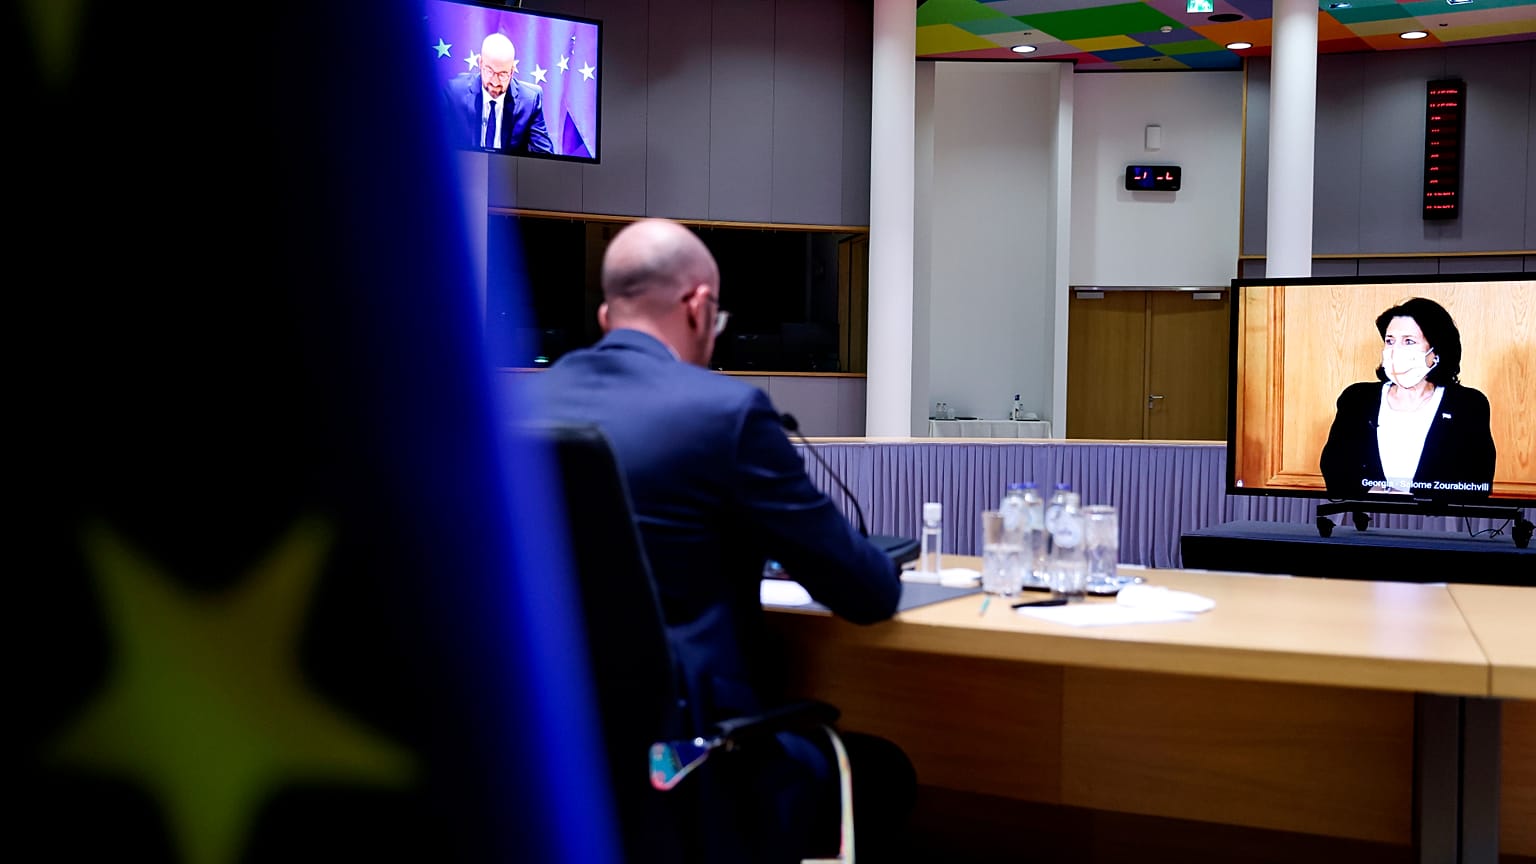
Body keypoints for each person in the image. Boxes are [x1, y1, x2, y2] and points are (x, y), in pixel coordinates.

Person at [532, 218, 915, 862]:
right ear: (701, 305)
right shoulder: (724, 414)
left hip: (554, 753)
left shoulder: (518, 408)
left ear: (606, 314)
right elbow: (867, 592)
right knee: (883, 771)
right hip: (687, 756)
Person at [1320, 297, 1496, 500]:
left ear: (1436, 352)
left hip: (1439, 524)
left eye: (1409, 341)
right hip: (1366, 518)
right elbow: (1334, 467)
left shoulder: (1468, 405)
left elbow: (1477, 479)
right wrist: (1376, 494)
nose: (1395, 351)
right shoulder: (1357, 399)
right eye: (1390, 341)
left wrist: (1417, 500)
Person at [441, 32, 553, 154]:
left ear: (512, 70)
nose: (495, 82)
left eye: (503, 74)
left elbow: (545, 155)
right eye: (489, 71)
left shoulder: (530, 100)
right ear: (480, 63)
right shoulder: (454, 92)